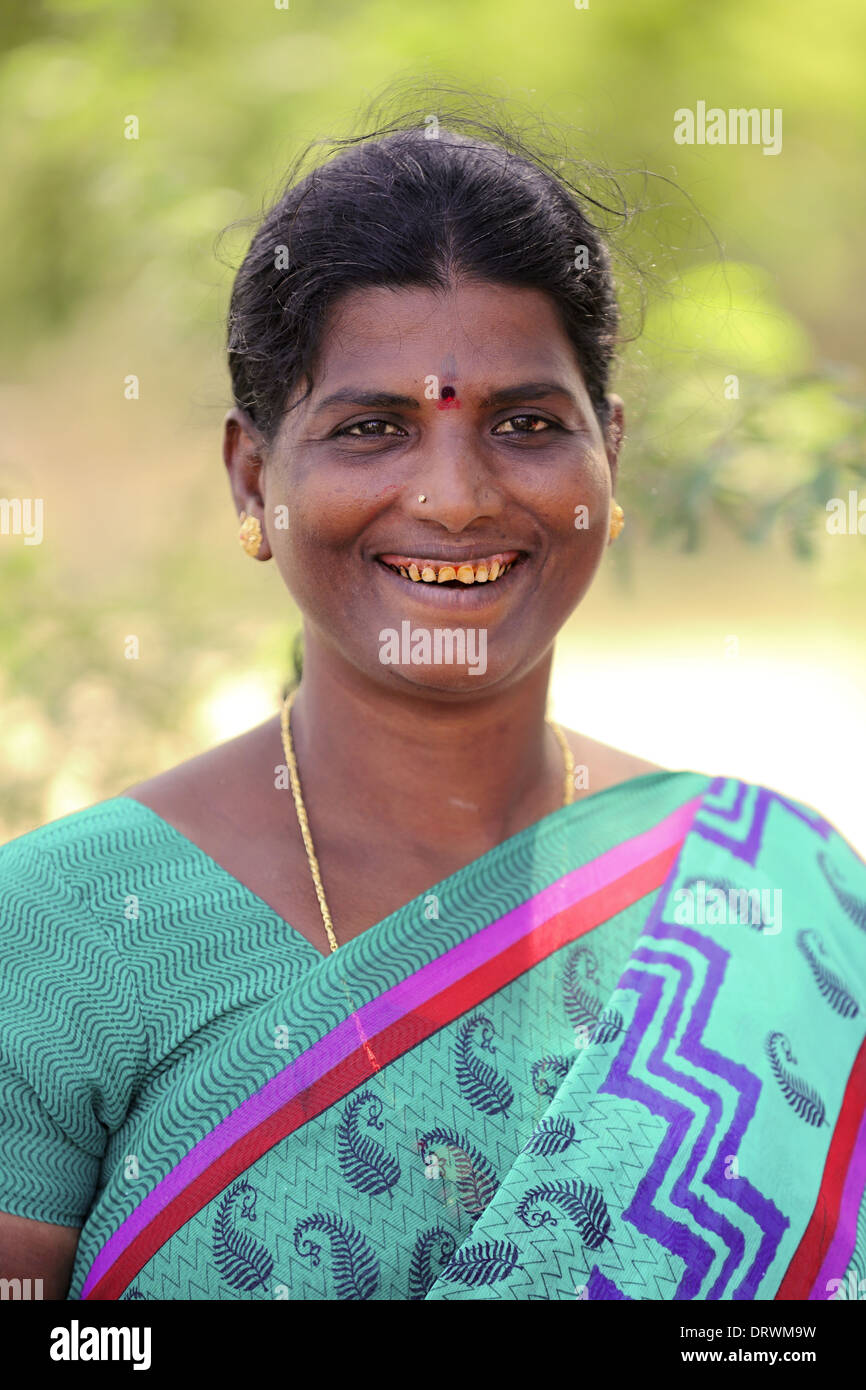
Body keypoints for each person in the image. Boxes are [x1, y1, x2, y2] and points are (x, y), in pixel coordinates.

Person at [2, 104, 865, 1304]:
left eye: (525, 424)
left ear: (605, 456)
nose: (456, 499)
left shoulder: (773, 896)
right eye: (371, 429)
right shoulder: (58, 932)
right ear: (255, 479)